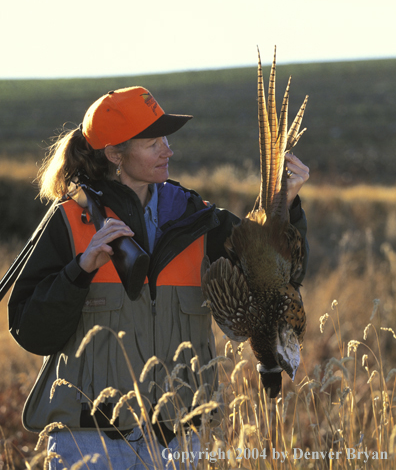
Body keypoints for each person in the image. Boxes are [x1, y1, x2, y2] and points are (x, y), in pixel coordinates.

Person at [8, 86, 310, 469]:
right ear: (115, 154)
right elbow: (32, 331)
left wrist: (287, 201)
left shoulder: (200, 219)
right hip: (90, 447)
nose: (168, 150)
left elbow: (277, 283)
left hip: (178, 445)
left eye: (166, 139)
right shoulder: (69, 222)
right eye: (153, 143)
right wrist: (80, 270)